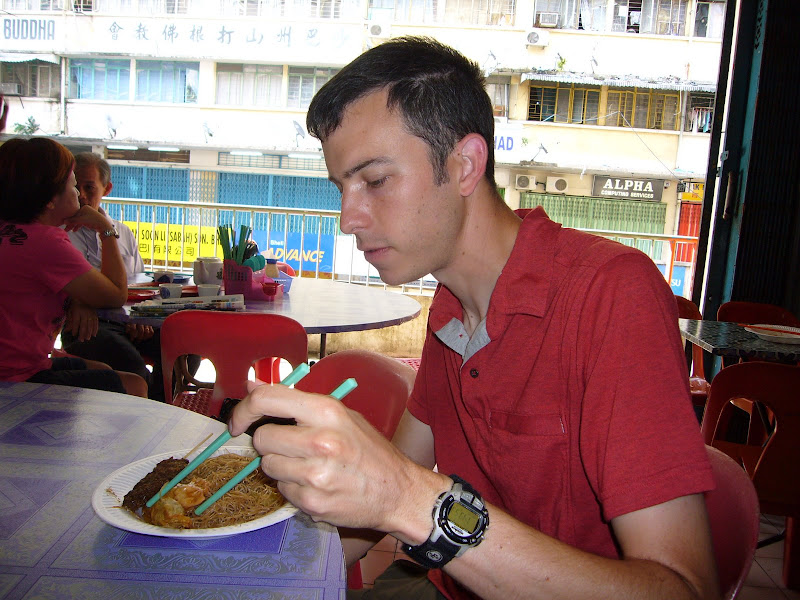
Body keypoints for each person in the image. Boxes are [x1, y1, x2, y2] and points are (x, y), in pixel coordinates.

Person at [229, 37, 719, 600]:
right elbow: (386, 492)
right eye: (343, 188)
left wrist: (408, 498)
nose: (348, 218)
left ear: (464, 165)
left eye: (376, 180)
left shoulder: (610, 294)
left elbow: (685, 589)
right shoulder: (451, 308)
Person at [0, 137, 147, 397]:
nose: (79, 193)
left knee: (102, 368)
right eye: (72, 184)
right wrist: (105, 229)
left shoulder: (11, 231)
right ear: (50, 199)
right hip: (16, 375)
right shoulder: (46, 241)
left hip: (21, 361)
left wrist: (76, 300)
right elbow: (115, 295)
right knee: (135, 385)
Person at [60, 152, 198, 403]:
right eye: (75, 187)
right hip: (86, 325)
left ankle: (159, 406)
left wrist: (140, 317)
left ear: (107, 189)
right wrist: (75, 302)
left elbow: (138, 286)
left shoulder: (122, 232)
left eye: (89, 187)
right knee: (132, 366)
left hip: (127, 321)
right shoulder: (60, 232)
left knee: (187, 349)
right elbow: (58, 287)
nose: (81, 195)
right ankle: (153, 408)